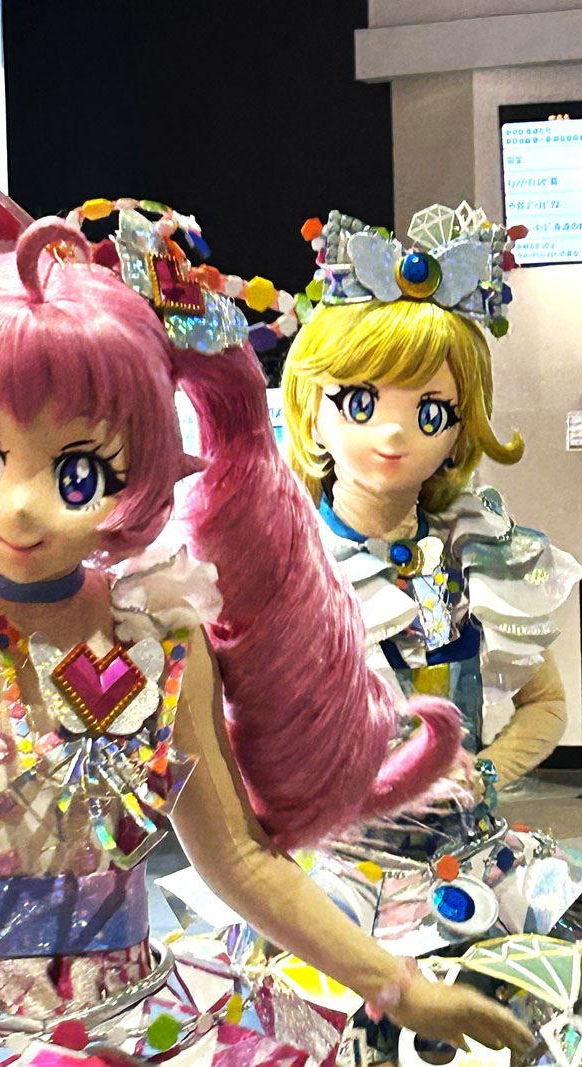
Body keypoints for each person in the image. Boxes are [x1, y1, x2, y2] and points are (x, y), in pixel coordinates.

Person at [0, 152, 532, 1064]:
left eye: (78, 471)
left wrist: (400, 985)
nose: (21, 507)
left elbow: (239, 859)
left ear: (141, 467)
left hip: (132, 1023)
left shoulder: (157, 635)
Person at [276, 205, 581, 949]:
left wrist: (486, 770)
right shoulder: (284, 566)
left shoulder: (480, 555)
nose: (393, 431)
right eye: (360, 401)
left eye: (432, 411)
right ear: (312, 412)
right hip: (334, 877)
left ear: (458, 431)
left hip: (474, 868)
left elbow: (545, 703)